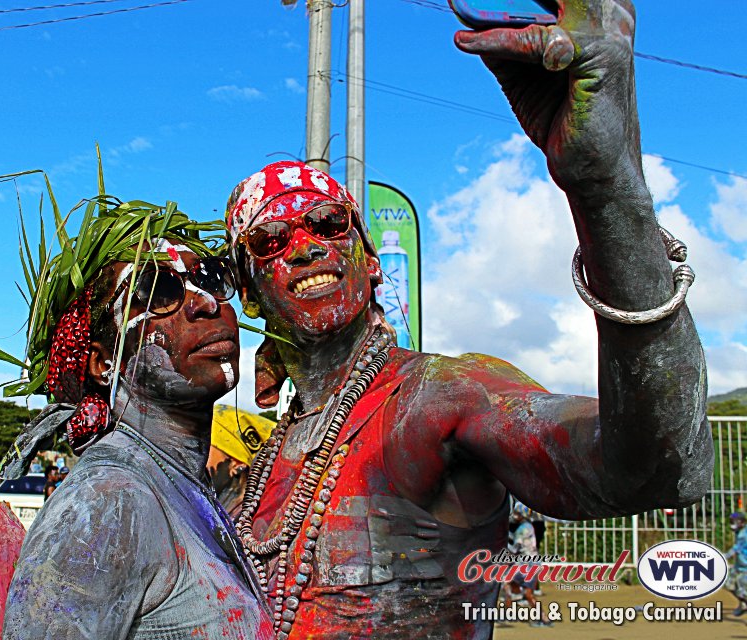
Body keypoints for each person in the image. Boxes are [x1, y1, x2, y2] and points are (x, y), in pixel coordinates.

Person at [223, 1, 711, 637]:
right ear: (249, 291)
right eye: (271, 242)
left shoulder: (441, 397)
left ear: (370, 261)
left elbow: (659, 465)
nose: (308, 247)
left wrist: (607, 185)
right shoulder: (252, 468)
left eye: (327, 224)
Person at [0, 194, 273, 639]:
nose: (205, 302)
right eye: (158, 291)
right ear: (102, 361)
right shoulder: (107, 503)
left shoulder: (178, 483)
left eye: (211, 278)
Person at [727, 512, 747, 617]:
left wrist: (724, 556)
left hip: (745, 567)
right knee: (729, 585)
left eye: (736, 521)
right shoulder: (738, 532)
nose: (733, 524)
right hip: (738, 566)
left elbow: (736, 548)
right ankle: (743, 604)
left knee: (742, 590)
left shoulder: (744, 534)